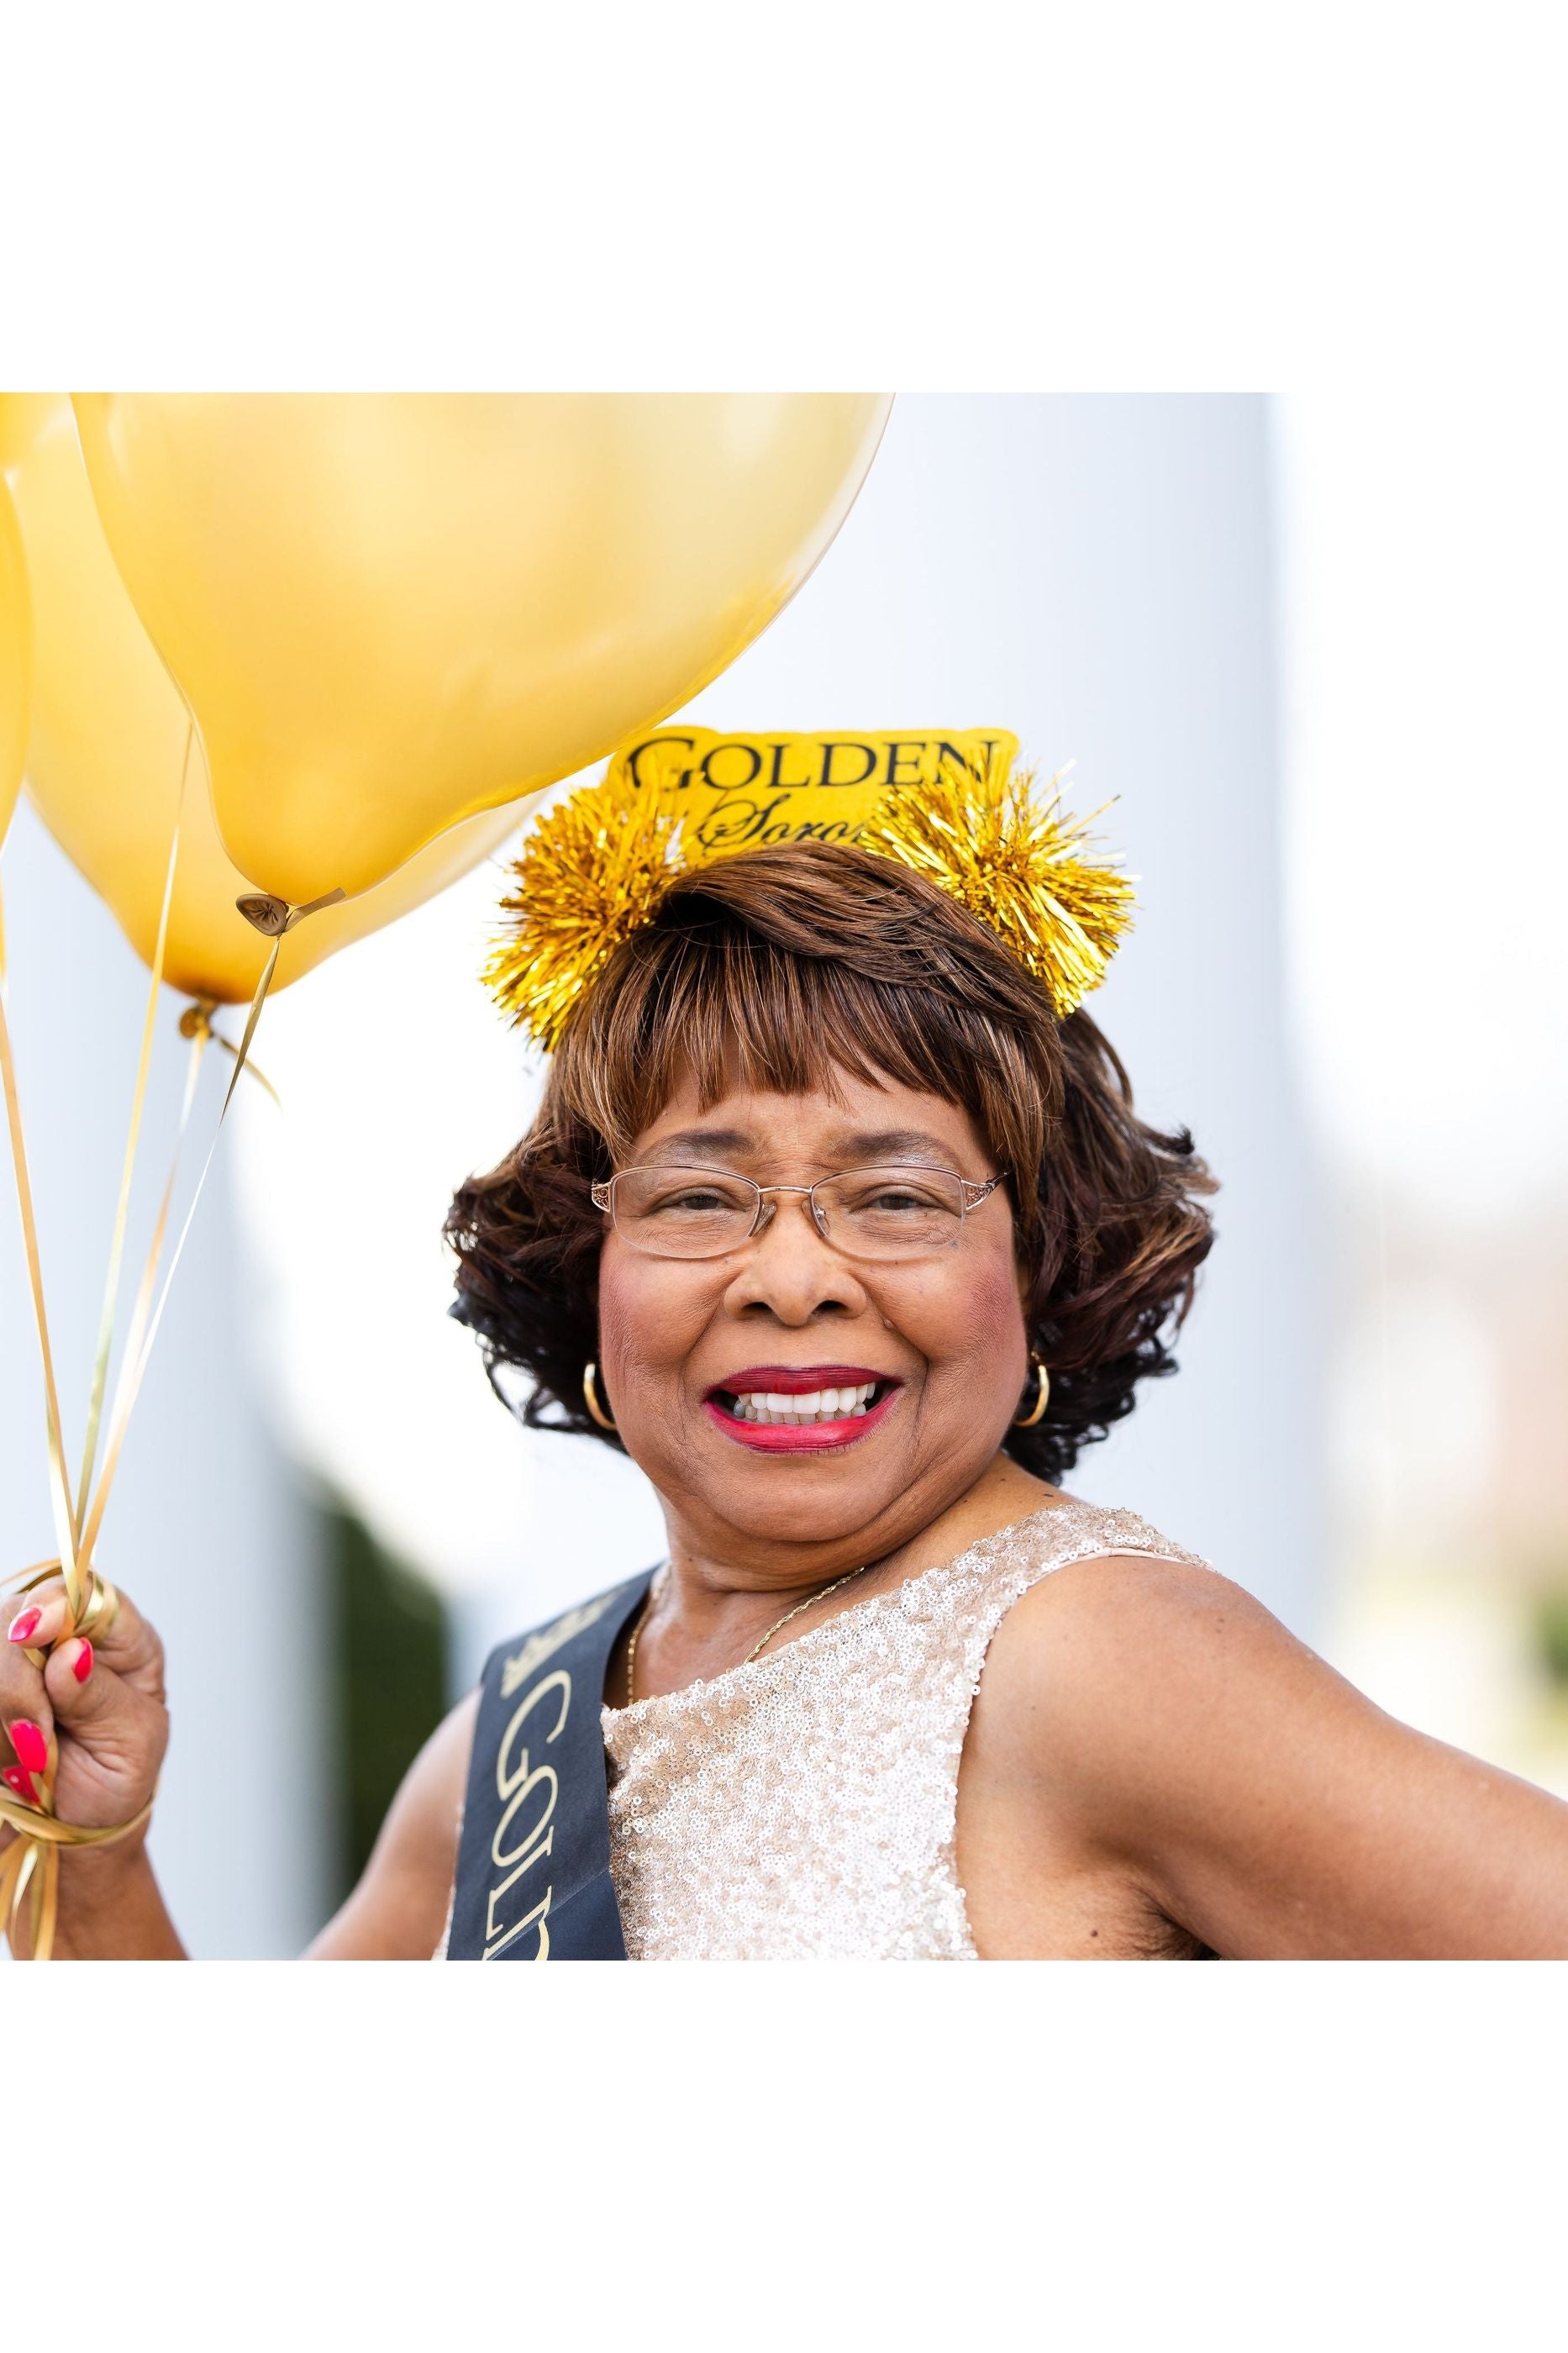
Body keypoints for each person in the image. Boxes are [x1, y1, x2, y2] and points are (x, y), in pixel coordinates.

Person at [6, 740, 1568, 1960]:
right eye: (698, 1195)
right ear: (588, 1269)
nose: (794, 1275)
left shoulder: (1096, 1662)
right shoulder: (513, 1735)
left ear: (1034, 1261)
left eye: (894, 1195)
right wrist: (97, 1855)